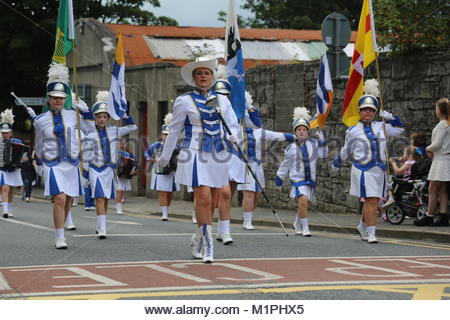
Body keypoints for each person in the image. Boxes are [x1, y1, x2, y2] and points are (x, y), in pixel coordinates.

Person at [157, 57, 239, 263]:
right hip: (193, 152)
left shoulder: (223, 100)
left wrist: (233, 137)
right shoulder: (184, 101)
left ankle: (198, 236)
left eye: (207, 73)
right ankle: (209, 244)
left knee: (212, 199)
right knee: (203, 197)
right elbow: (175, 130)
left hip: (218, 154)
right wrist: (165, 157)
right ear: (194, 78)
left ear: (212, 77)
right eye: (199, 73)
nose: (203, 76)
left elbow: (232, 125)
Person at [331, 79, 405, 243]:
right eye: (365, 109)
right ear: (360, 111)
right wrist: (338, 161)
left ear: (375, 111)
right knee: (371, 200)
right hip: (362, 170)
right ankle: (371, 233)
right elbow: (347, 149)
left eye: (371, 110)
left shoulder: (382, 126)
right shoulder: (353, 130)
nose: (368, 112)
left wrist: (391, 117)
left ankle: (362, 225)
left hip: (379, 171)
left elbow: (400, 130)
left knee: (373, 200)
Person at [31, 63, 95, 249]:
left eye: (61, 98)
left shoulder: (73, 115)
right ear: (49, 99)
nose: (57, 101)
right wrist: (42, 162)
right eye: (54, 98)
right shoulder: (40, 120)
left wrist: (86, 112)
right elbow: (39, 143)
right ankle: (59, 237)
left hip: (71, 162)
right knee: (59, 198)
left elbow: (90, 130)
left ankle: (63, 227)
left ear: (65, 98)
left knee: (68, 199)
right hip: (52, 164)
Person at [83, 91, 137, 239]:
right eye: (99, 116)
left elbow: (132, 127)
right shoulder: (90, 135)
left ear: (108, 118)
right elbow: (87, 155)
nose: (102, 119)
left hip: (109, 170)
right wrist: (86, 173)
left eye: (105, 116)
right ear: (95, 118)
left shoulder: (114, 131)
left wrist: (123, 113)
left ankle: (100, 224)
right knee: (99, 197)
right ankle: (102, 229)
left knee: (106, 198)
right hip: (95, 169)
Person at [238, 109, 295, 230]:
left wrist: (294, 137)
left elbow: (276, 136)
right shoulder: (238, 130)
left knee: (257, 194)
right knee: (249, 193)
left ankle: (248, 216)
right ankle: (247, 221)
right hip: (245, 165)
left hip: (257, 166)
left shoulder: (260, 132)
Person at [275, 107, 328, 236]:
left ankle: (296, 223)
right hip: (298, 179)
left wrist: (322, 141)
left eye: (304, 129)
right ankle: (305, 228)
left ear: (307, 132)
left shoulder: (313, 144)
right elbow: (285, 164)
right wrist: (280, 177)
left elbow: (324, 154)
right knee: (303, 200)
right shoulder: (291, 148)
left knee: (305, 203)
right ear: (295, 132)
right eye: (299, 130)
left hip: (311, 179)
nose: (302, 132)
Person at [414, 98, 450, 227]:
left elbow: (438, 143)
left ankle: (429, 216)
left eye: (436, 108)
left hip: (440, 161)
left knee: (432, 188)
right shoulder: (448, 124)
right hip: (445, 159)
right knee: (442, 190)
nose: (435, 110)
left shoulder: (442, 124)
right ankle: (443, 217)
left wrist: (428, 148)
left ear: (440, 110)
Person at [144, 113, 179, 220]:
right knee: (163, 192)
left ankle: (166, 209)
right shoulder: (156, 145)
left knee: (170, 193)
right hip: (160, 171)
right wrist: (151, 159)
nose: (167, 136)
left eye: (169, 134)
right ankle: (164, 214)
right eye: (165, 134)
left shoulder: (177, 146)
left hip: (172, 172)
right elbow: (146, 153)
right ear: (162, 135)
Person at [0, 109, 26, 218]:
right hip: (2, 169)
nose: (5, 134)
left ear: (11, 132)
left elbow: (24, 155)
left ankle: (9, 209)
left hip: (14, 169)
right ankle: (5, 210)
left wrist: (22, 159)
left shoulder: (17, 142)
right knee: (5, 188)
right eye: (3, 132)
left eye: (6, 132)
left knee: (11, 190)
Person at [116, 139, 137, 215]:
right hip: (116, 174)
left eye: (124, 144)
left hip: (125, 175)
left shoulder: (130, 154)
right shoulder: (115, 153)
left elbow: (134, 163)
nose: (122, 145)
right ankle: (119, 207)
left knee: (122, 190)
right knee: (120, 190)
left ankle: (119, 204)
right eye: (120, 144)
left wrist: (134, 170)